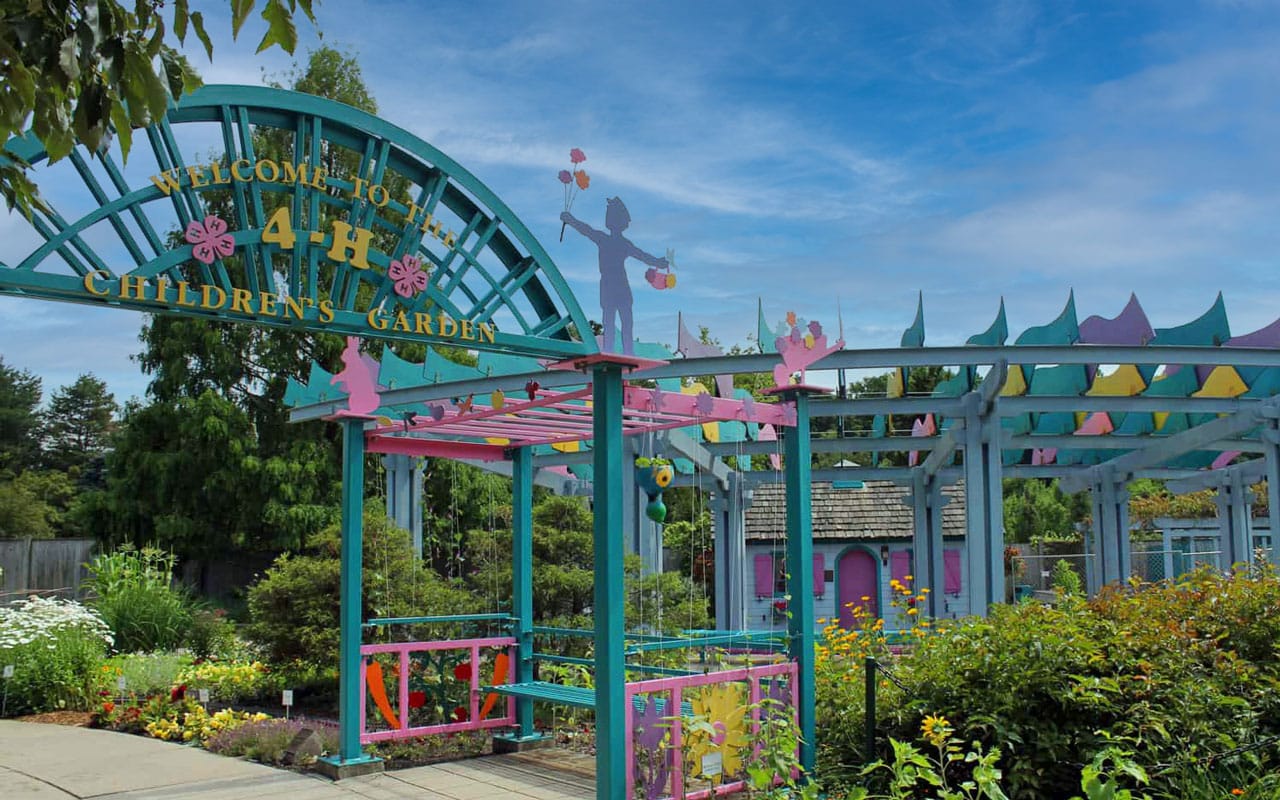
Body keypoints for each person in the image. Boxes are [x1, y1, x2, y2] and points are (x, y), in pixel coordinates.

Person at [561, 197, 668, 355]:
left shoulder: (606, 239)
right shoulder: (616, 242)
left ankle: (616, 351)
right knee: (618, 320)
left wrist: (570, 220)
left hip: (612, 284)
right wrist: (570, 220)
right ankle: (620, 352)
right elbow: (644, 256)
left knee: (614, 320)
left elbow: (586, 230)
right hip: (615, 284)